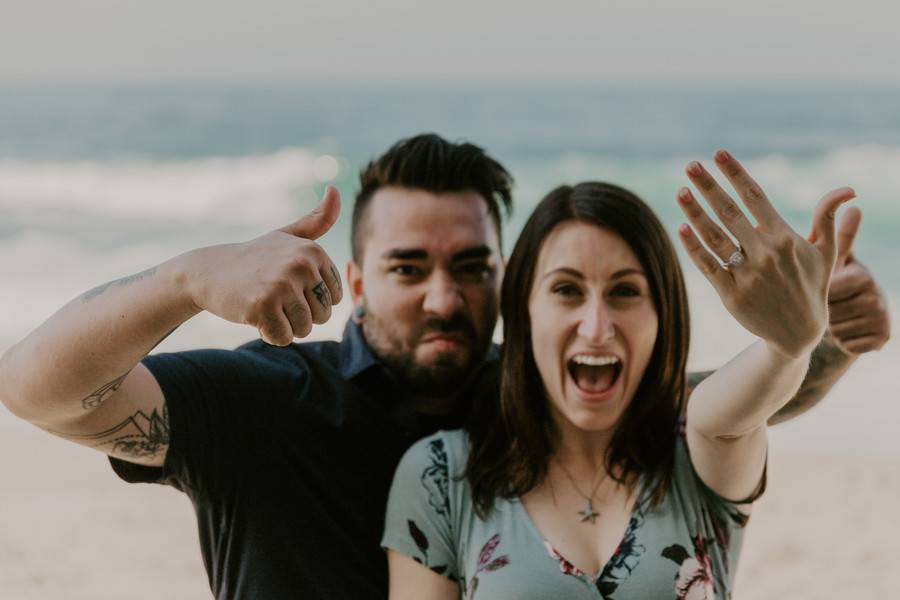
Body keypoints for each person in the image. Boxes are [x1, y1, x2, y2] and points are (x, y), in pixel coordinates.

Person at [0, 136, 888, 599]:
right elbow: (36, 387)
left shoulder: (541, 395)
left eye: (470, 268)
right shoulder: (267, 399)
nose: (440, 297)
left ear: (503, 280)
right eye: (406, 268)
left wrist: (819, 337)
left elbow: (704, 415)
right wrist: (187, 278)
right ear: (353, 280)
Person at [381, 154, 866, 600]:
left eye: (625, 291)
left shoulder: (698, 448)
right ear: (524, 311)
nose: (596, 326)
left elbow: (733, 411)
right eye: (567, 290)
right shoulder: (440, 476)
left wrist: (788, 345)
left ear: (662, 315)